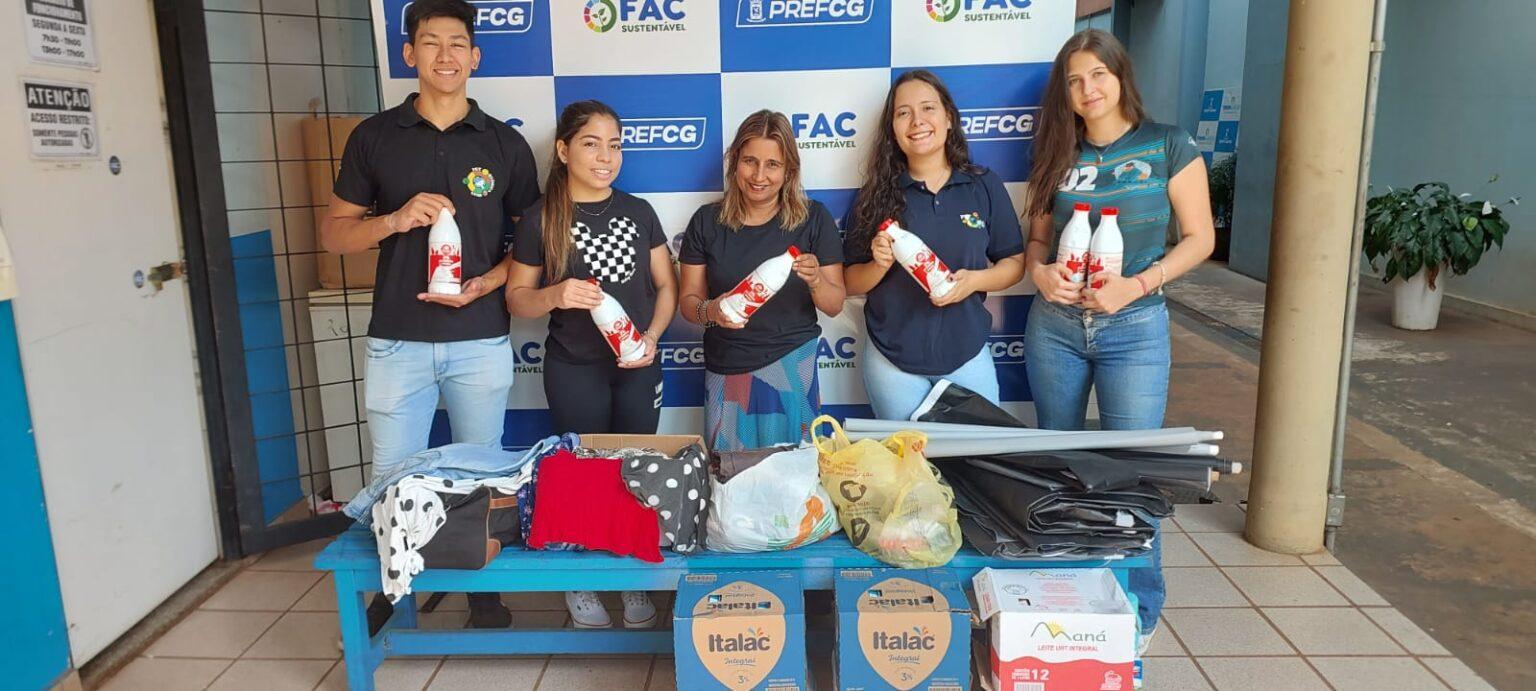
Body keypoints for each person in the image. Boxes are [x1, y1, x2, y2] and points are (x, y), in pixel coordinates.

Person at [321, 0, 536, 631]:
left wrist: (484, 285)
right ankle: (394, 590)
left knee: (478, 471)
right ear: (410, 54)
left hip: (480, 336)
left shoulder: (504, 143)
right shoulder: (374, 137)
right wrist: (391, 220)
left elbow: (532, 246)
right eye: (431, 42)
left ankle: (482, 593)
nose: (446, 55)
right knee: (394, 476)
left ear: (475, 56)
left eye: (457, 43)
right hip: (398, 339)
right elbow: (334, 234)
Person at [1021, 28, 1215, 651]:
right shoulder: (1056, 151)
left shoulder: (1168, 144)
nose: (1088, 89)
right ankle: (1068, 593)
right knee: (1059, 466)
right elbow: (1037, 242)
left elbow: (1201, 238)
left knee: (1132, 471)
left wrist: (1136, 285)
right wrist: (1039, 273)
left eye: (1097, 75)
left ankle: (1140, 605)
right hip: (1055, 328)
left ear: (1120, 75)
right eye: (1075, 80)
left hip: (1134, 327)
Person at [505, 100, 675, 630]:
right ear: (563, 150)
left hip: (637, 367)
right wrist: (554, 294)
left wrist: (651, 337)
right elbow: (516, 298)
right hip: (574, 367)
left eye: (615, 145)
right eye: (591, 144)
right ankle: (579, 578)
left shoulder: (639, 211)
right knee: (583, 471)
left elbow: (667, 286)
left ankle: (629, 574)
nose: (606, 157)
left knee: (634, 469)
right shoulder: (541, 218)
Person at [843, 70, 1026, 421]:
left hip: (966, 353)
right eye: (903, 113)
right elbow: (849, 283)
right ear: (892, 129)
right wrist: (879, 264)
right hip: (892, 362)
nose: (917, 121)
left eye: (928, 108)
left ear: (948, 118)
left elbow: (1014, 264)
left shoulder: (982, 185)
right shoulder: (874, 196)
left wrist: (973, 282)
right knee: (907, 458)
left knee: (981, 453)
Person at [677, 110, 846, 451]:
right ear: (734, 161)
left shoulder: (814, 219)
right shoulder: (707, 222)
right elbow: (688, 302)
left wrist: (816, 281)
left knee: (794, 475)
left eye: (772, 165)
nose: (759, 176)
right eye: (749, 161)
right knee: (729, 475)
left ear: (789, 170)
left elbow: (835, 304)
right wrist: (712, 311)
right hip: (727, 367)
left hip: (793, 366)